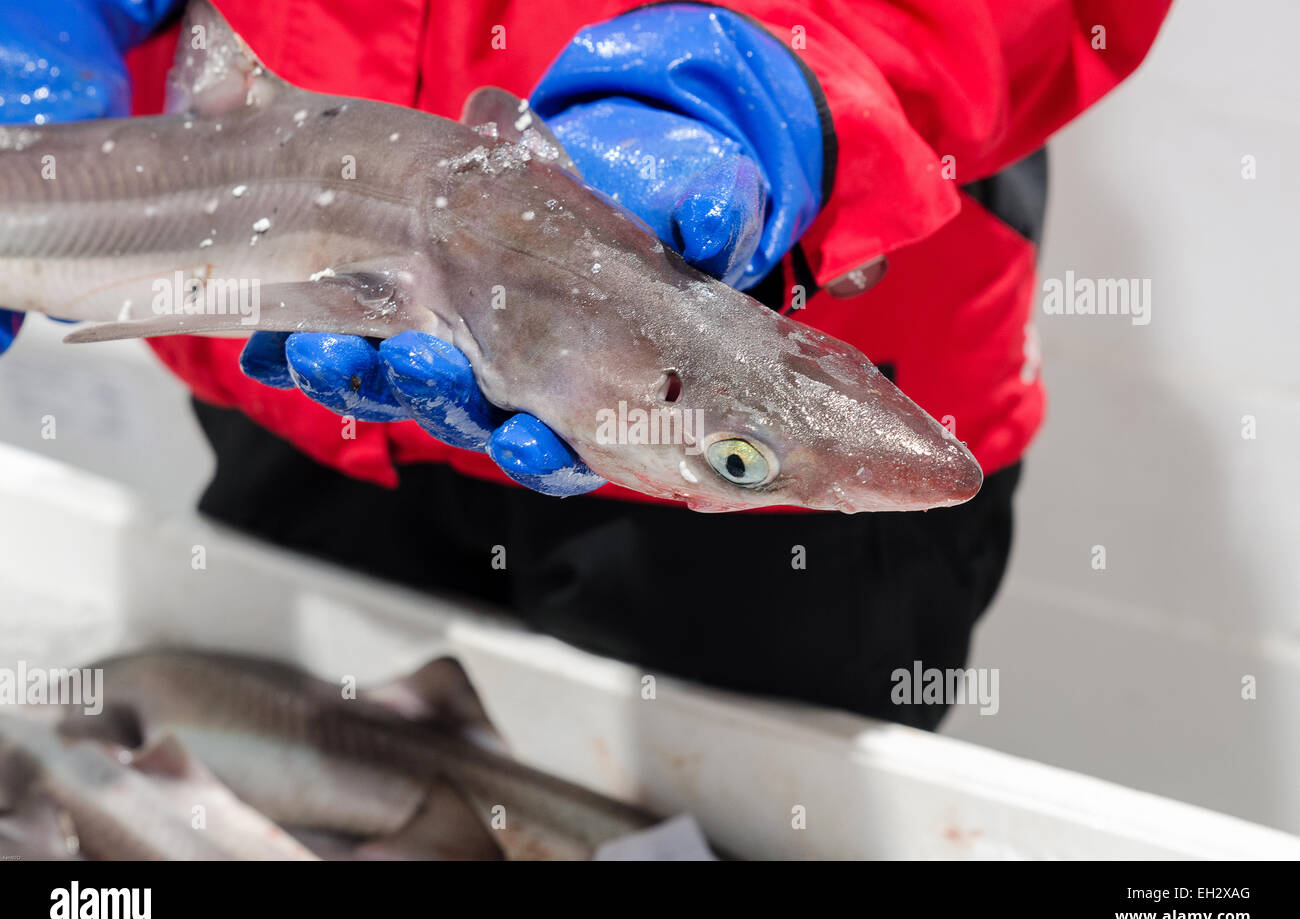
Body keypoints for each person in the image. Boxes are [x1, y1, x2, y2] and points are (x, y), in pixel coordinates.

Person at [1, 0, 1171, 727]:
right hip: (307, 396)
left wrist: (776, 84)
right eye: (739, 455)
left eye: (738, 456)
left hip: (780, 457)